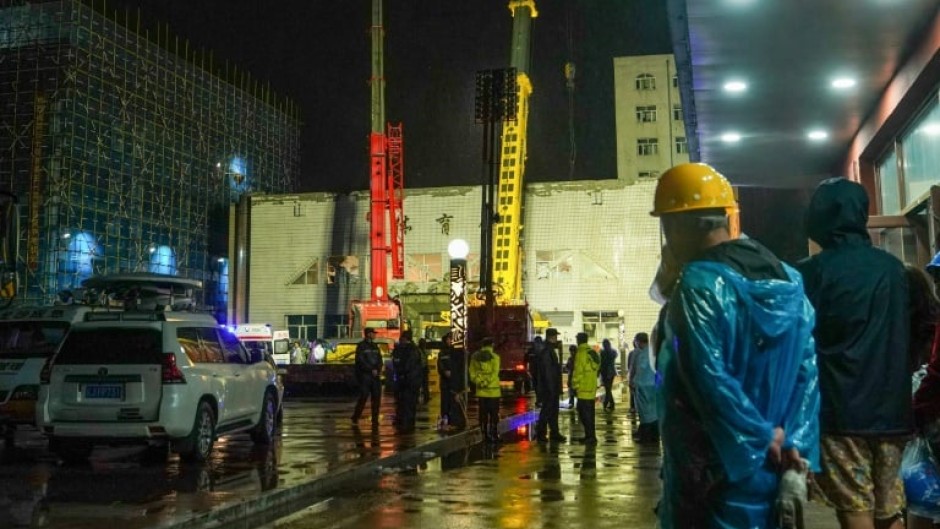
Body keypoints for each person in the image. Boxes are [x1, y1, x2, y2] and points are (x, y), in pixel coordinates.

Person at [653, 163, 820, 528]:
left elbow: (708, 377)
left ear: (676, 226)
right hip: (776, 465)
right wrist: (793, 439)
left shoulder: (698, 285)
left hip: (716, 469)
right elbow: (807, 372)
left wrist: (760, 437)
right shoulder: (788, 279)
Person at [797, 177, 911, 529]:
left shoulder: (812, 272)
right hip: (893, 411)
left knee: (855, 504)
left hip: (842, 410)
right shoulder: (893, 269)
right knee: (889, 505)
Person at [905, 265, 940, 529]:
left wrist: (916, 409)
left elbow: (936, 373)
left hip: (929, 417)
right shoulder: (932, 323)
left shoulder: (898, 329)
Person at [534, 328, 566, 442]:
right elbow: (548, 371)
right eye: (555, 336)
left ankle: (553, 432)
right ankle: (542, 433)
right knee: (548, 410)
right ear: (552, 337)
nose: (557, 339)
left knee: (552, 411)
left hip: (550, 387)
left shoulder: (548, 349)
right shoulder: (547, 351)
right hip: (550, 387)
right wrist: (552, 388)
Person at [469, 337, 501, 443]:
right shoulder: (495, 357)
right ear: (491, 345)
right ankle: (494, 433)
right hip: (493, 391)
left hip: (481, 391)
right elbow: (494, 373)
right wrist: (487, 382)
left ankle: (484, 435)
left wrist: (480, 382)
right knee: (494, 414)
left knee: (483, 414)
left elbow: (472, 373)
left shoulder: (475, 357)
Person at [391, 330, 423, 433]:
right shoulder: (415, 350)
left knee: (405, 403)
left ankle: (406, 424)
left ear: (405, 339)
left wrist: (401, 373)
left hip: (407, 381)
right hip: (413, 380)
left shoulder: (406, 350)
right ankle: (409, 423)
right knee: (411, 403)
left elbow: (404, 365)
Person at [630, 333, 659, 443]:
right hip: (654, 385)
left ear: (638, 341)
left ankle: (646, 437)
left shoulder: (643, 354)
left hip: (644, 386)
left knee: (645, 413)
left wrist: (634, 382)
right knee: (654, 412)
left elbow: (640, 370)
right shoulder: (654, 351)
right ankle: (655, 436)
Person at [571, 332, 599, 444]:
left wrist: (574, 385)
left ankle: (590, 437)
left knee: (583, 414)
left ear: (579, 340)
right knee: (590, 415)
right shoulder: (592, 352)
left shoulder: (580, 353)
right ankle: (590, 436)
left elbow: (578, 372)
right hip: (591, 388)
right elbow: (597, 367)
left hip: (582, 389)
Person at [351, 328, 383, 426]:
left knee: (376, 398)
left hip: (375, 376)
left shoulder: (375, 346)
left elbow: (379, 359)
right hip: (365, 376)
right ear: (368, 334)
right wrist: (371, 370)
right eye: (373, 333)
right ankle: (355, 417)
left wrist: (378, 369)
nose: (375, 335)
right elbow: (360, 361)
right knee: (363, 397)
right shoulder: (361, 346)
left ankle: (375, 420)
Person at [436, 332, 458, 429]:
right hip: (445, 381)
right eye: (449, 339)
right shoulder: (442, 352)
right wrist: (445, 372)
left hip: (454, 381)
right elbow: (440, 365)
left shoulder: (456, 352)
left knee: (453, 401)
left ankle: (453, 419)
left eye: (451, 339)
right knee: (445, 400)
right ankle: (445, 417)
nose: (450, 341)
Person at [599, 338, 617, 411]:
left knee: (608, 389)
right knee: (608, 388)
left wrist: (599, 372)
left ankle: (606, 403)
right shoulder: (613, 352)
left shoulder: (602, 352)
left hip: (605, 372)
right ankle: (611, 403)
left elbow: (602, 363)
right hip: (611, 372)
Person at [527, 336, 543, 406]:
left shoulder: (532, 349)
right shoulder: (543, 348)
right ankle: (540, 400)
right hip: (541, 370)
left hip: (534, 370)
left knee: (536, 386)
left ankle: (539, 400)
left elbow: (527, 358)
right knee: (541, 386)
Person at [418, 338, 431, 404]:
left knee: (423, 384)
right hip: (423, 369)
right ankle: (426, 397)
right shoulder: (422, 351)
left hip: (422, 369)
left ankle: (425, 396)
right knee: (424, 384)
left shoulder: (420, 351)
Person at [565, 344, 577, 409]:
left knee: (574, 392)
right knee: (571, 392)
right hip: (571, 377)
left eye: (572, 351)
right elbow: (567, 367)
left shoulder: (576, 358)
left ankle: (571, 404)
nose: (571, 352)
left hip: (575, 377)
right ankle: (571, 403)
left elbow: (567, 367)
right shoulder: (570, 358)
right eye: (571, 351)